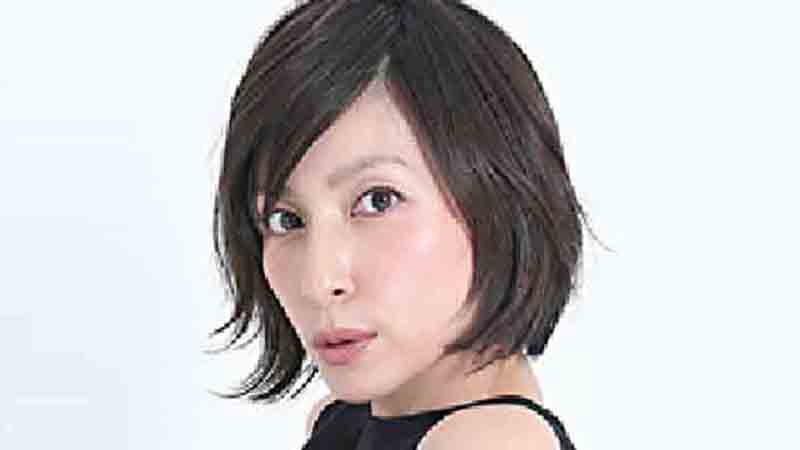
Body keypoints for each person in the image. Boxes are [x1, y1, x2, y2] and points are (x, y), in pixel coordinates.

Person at [209, 1, 601, 448]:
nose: (318, 281)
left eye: (378, 201)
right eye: (286, 220)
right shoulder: (342, 421)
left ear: (501, 196)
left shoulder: (485, 441)